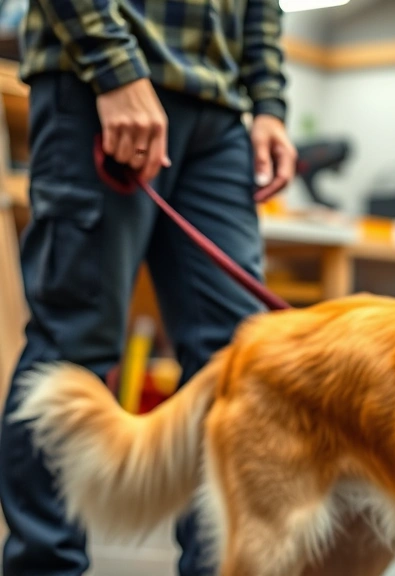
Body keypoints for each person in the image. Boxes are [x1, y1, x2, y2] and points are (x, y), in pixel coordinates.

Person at [0, 1, 297, 574]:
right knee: (74, 346)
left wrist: (269, 105)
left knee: (236, 364)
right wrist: (114, 68)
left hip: (221, 111)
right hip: (101, 86)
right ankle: (45, 565)